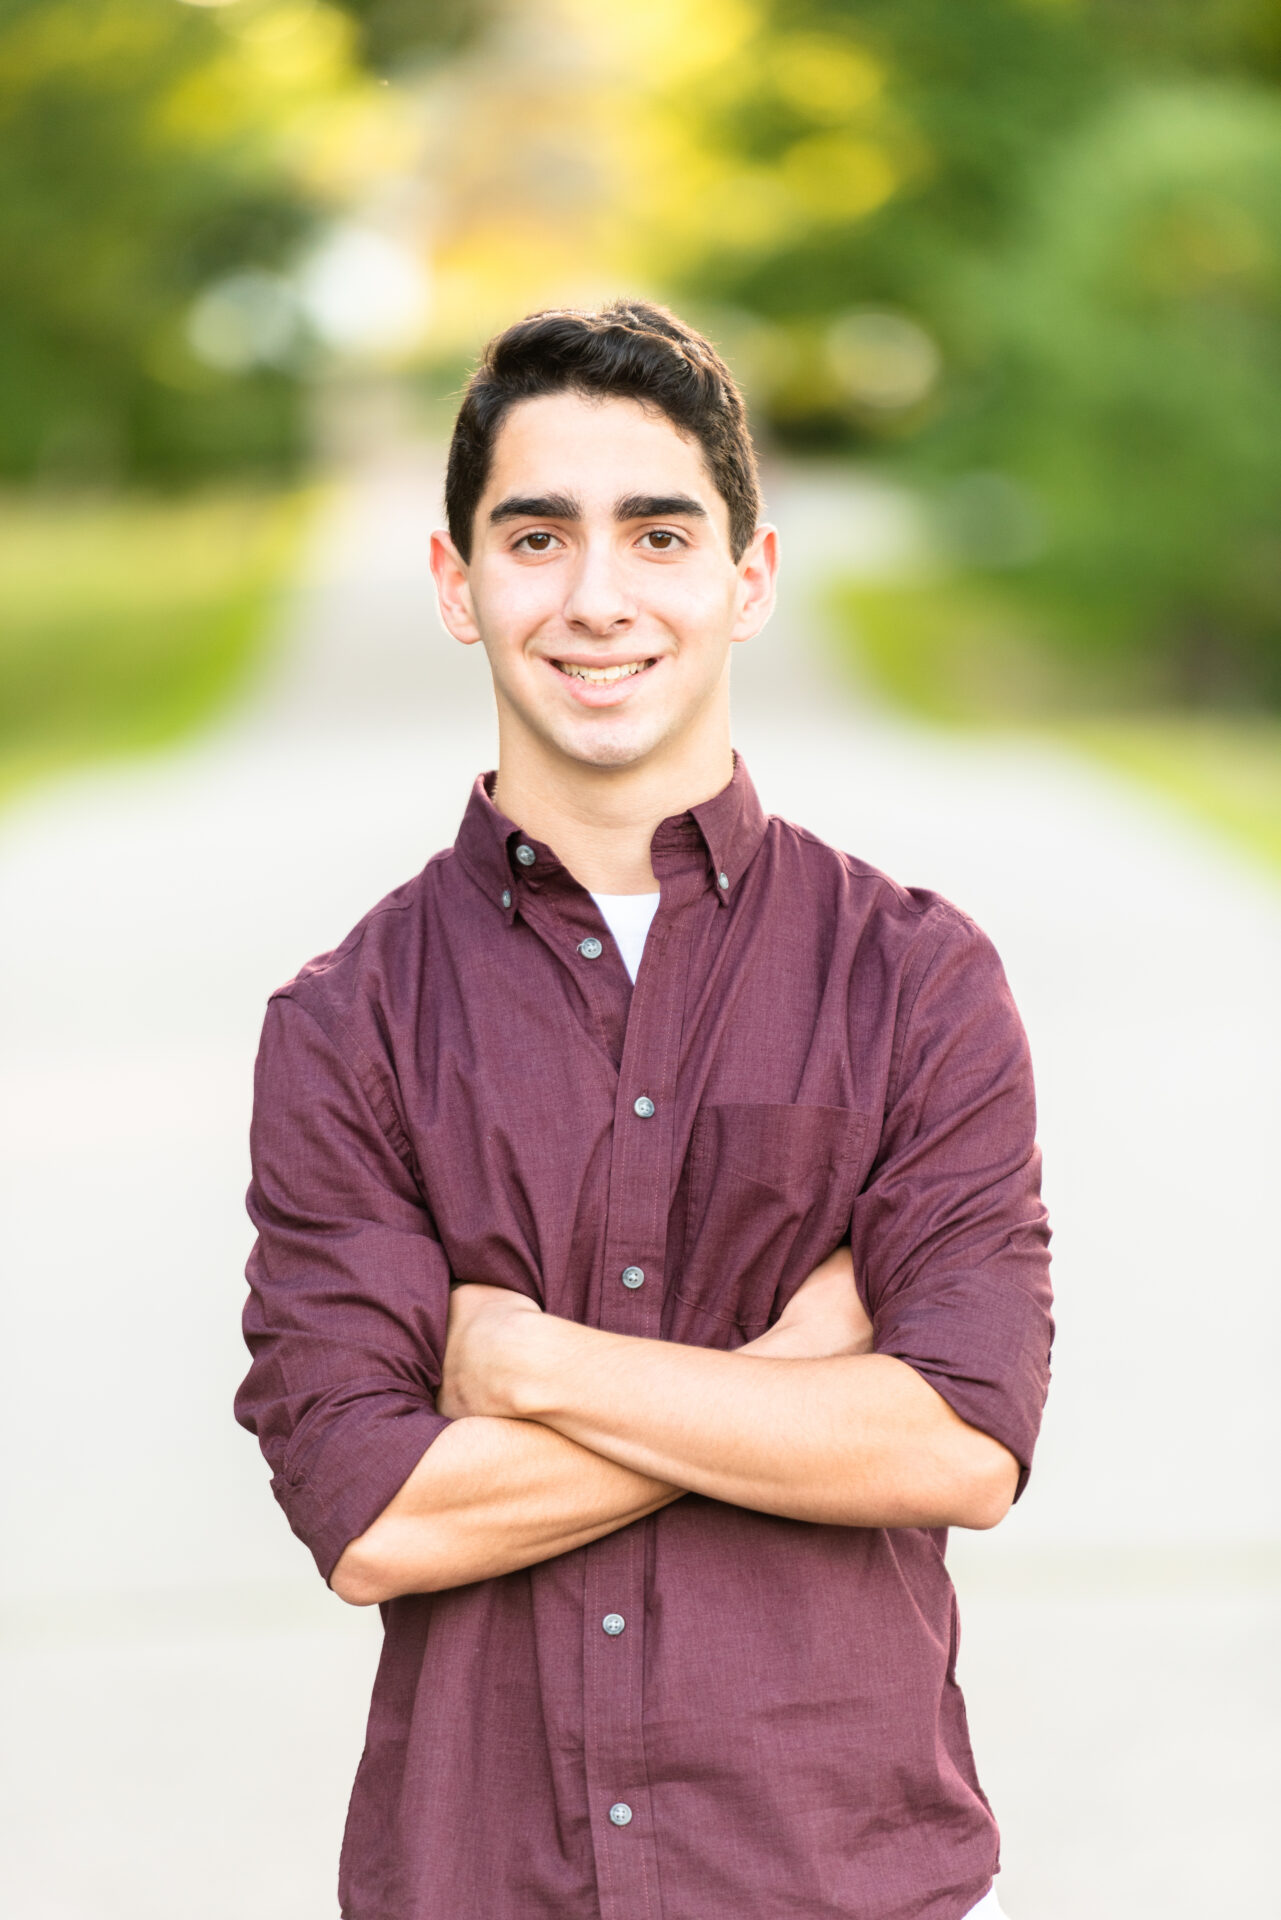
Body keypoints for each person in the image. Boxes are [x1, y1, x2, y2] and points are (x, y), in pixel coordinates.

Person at [235, 299, 1053, 1920]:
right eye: (537, 537)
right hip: (481, 1880)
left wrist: (528, 1366)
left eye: (658, 535)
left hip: (829, 1877)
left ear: (747, 578)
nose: (596, 597)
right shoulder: (348, 1023)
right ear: (457, 584)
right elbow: (373, 1516)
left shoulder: (911, 981)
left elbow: (957, 1442)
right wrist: (787, 1384)